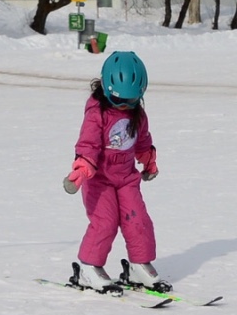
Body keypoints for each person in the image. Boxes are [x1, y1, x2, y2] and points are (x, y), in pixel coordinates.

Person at [62, 50, 166, 292]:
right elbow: (88, 144)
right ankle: (89, 268)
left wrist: (148, 161)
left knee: (139, 221)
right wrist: (81, 168)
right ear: (107, 89)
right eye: (120, 100)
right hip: (98, 179)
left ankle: (139, 266)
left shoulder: (137, 114)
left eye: (130, 101)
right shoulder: (97, 112)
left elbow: (142, 141)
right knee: (105, 223)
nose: (125, 106)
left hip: (126, 178)